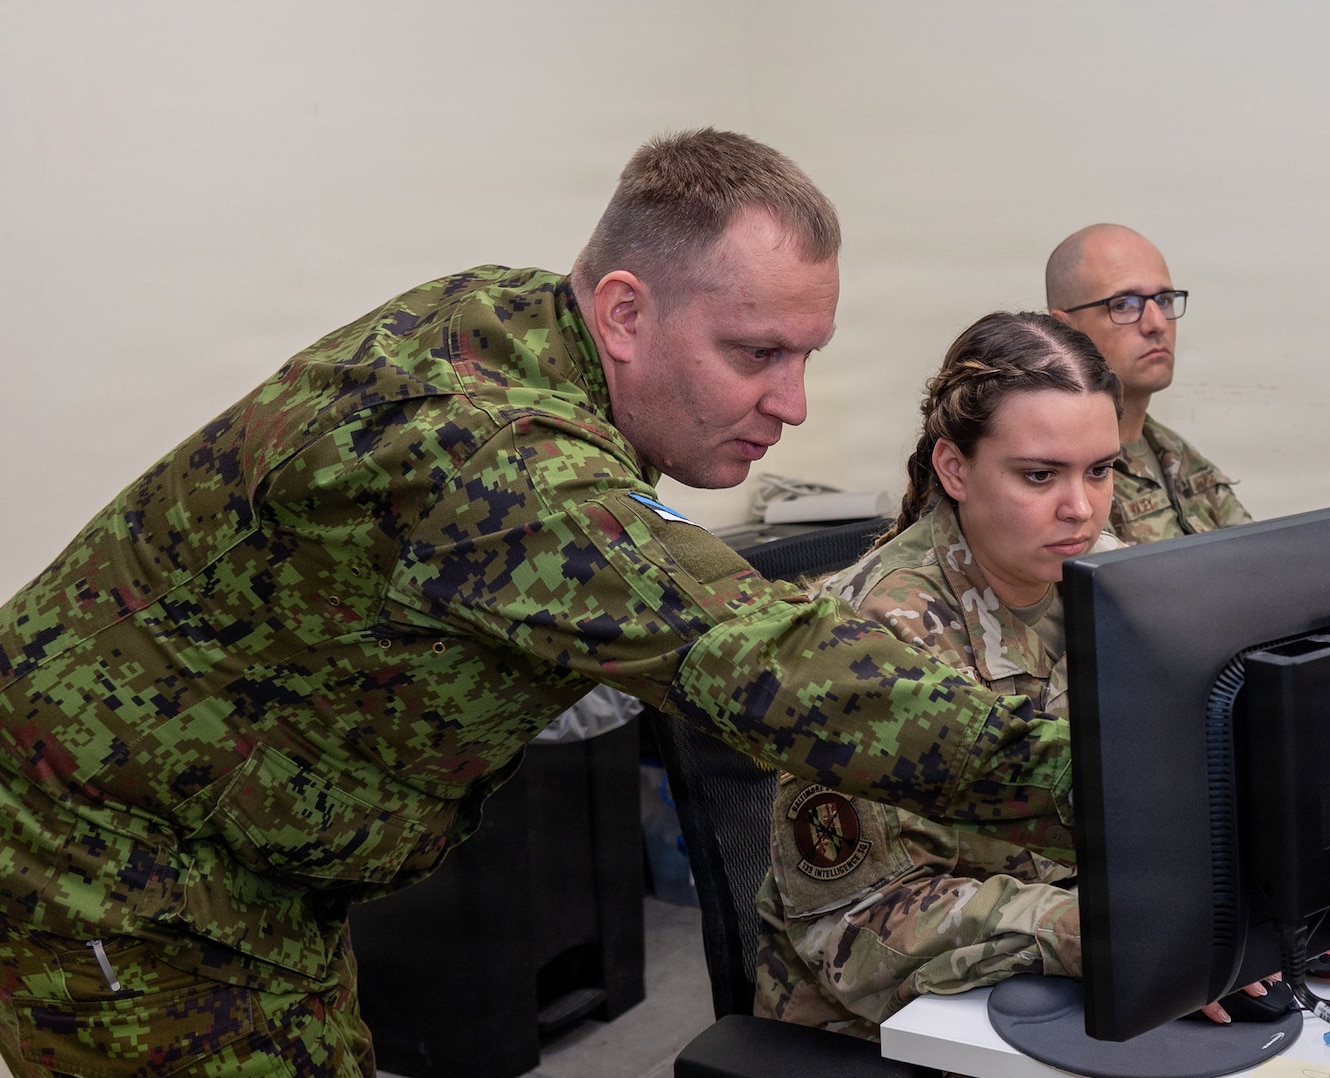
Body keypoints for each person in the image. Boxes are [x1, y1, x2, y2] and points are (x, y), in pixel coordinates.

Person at [0, 130, 1072, 1076]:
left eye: (805, 356)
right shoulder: (492, 457)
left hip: (251, 855)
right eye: (755, 353)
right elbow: (768, 662)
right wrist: (1117, 781)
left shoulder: (517, 322)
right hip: (105, 853)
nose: (789, 404)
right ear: (623, 313)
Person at [753, 311, 1121, 1040]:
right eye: (1039, 475)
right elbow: (852, 923)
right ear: (955, 469)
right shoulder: (866, 638)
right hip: (884, 1023)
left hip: (1044, 971)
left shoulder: (1110, 578)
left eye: (1101, 470)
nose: (1081, 508)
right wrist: (1090, 927)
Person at [1046, 224, 1253, 543]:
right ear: (1065, 328)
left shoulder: (1175, 453)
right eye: (1124, 305)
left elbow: (1257, 557)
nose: (1157, 323)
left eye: (1164, 299)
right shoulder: (1049, 473)